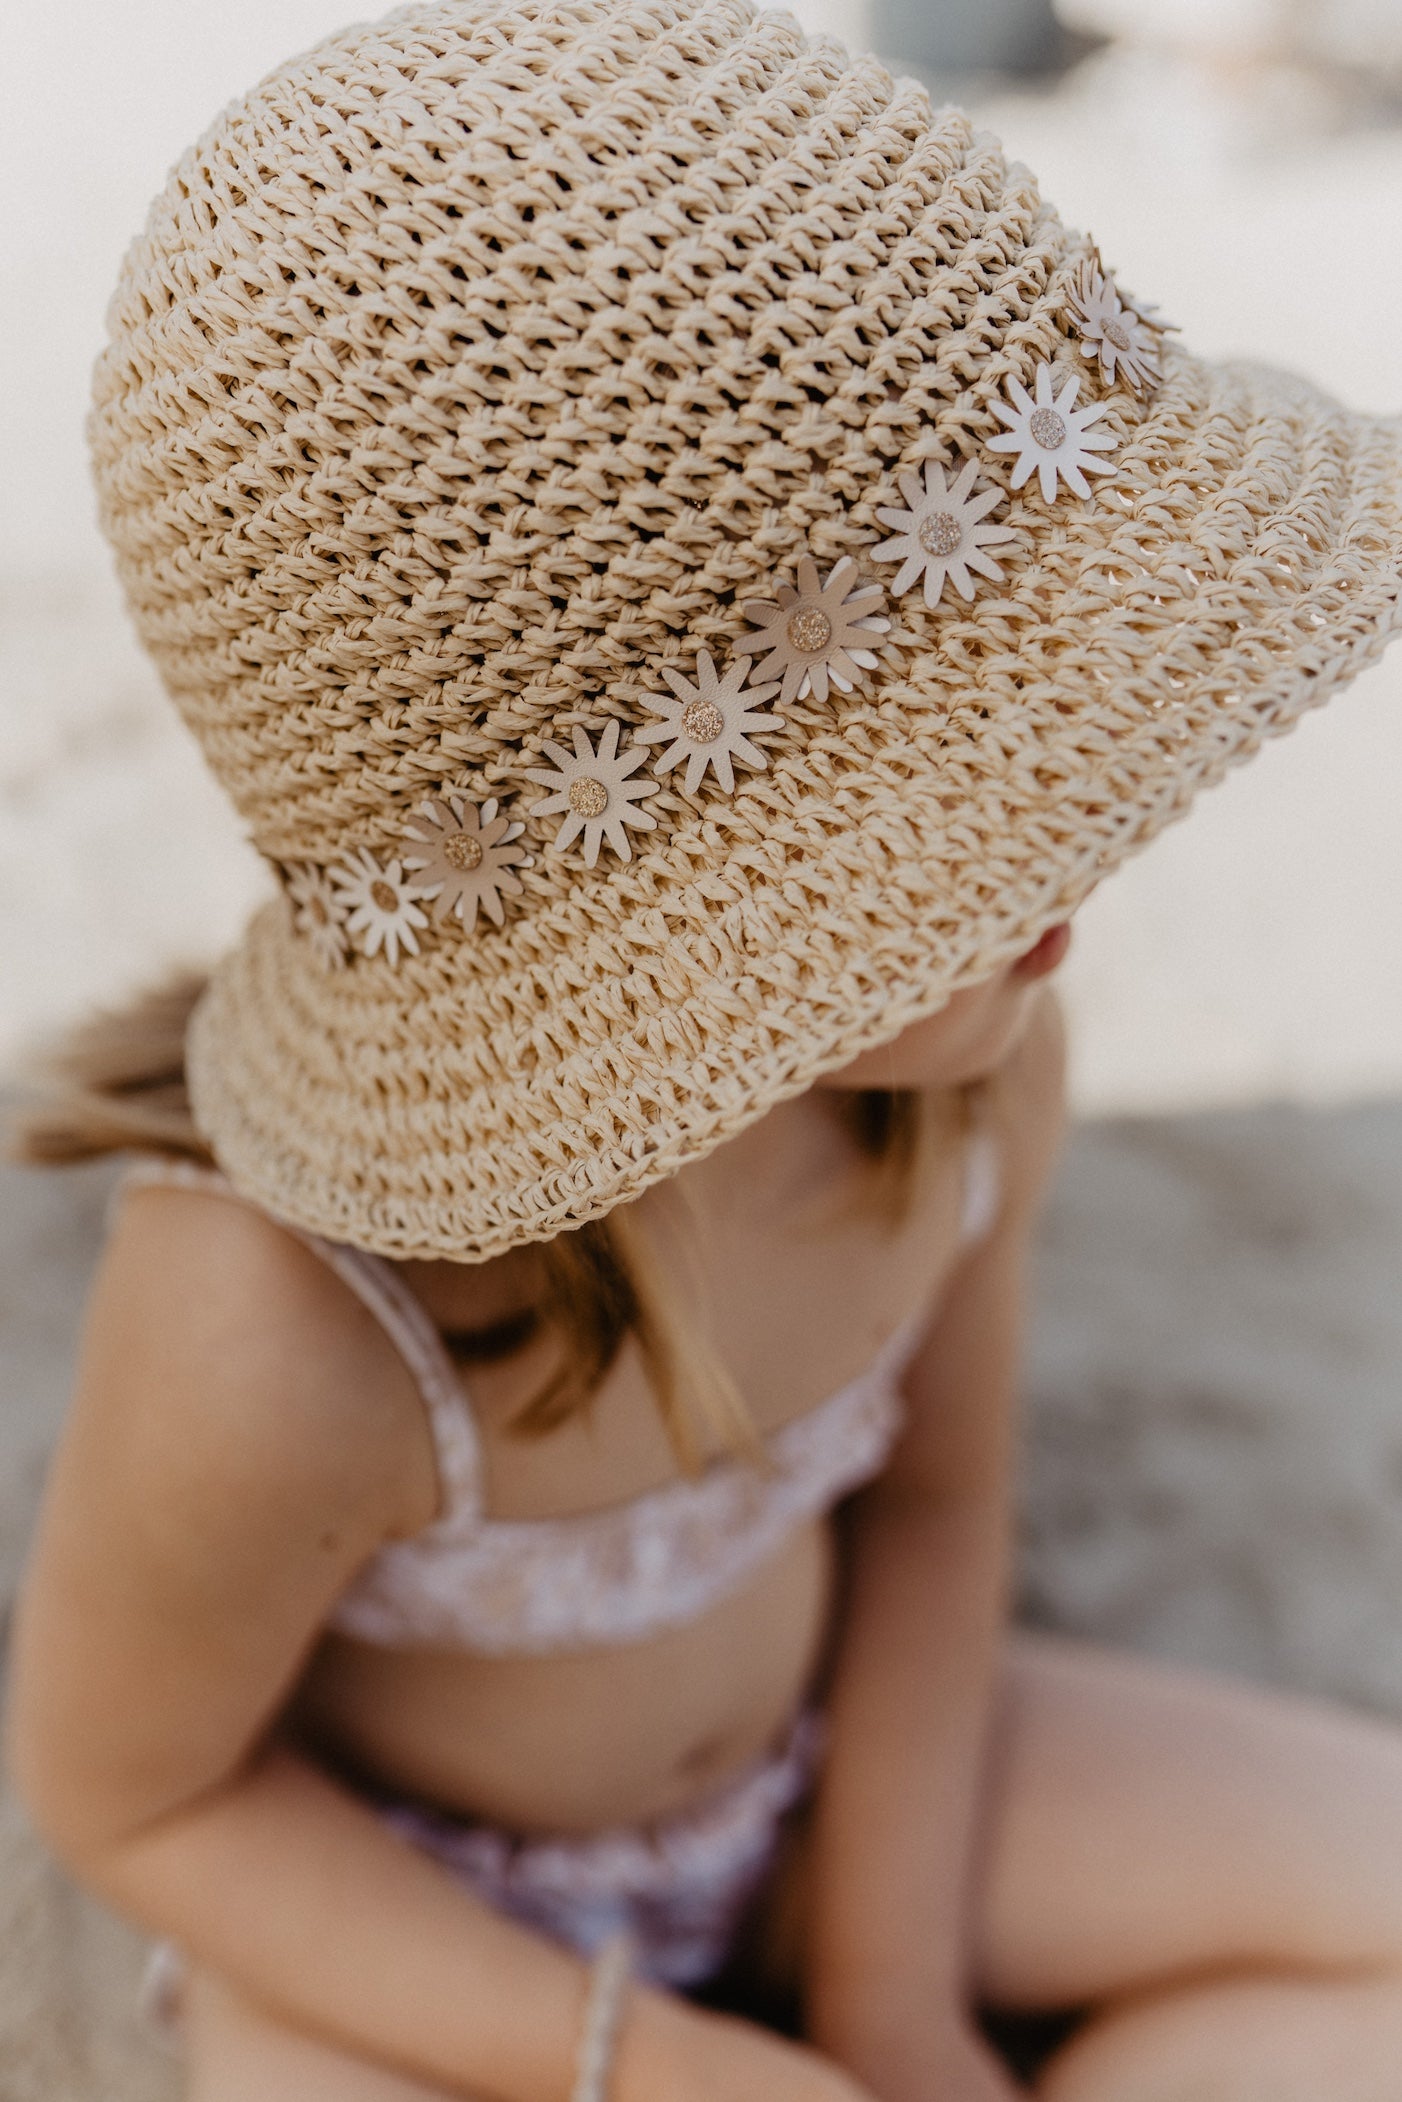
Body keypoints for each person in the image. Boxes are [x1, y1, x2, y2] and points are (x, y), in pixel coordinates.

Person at [6, 1, 1402, 2096]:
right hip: (404, 1921)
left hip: (817, 1778)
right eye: (957, 803)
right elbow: (137, 1796)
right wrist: (639, 2057)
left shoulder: (962, 1062)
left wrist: (887, 1999)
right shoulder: (281, 1327)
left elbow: (934, 1514)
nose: (1070, 851)